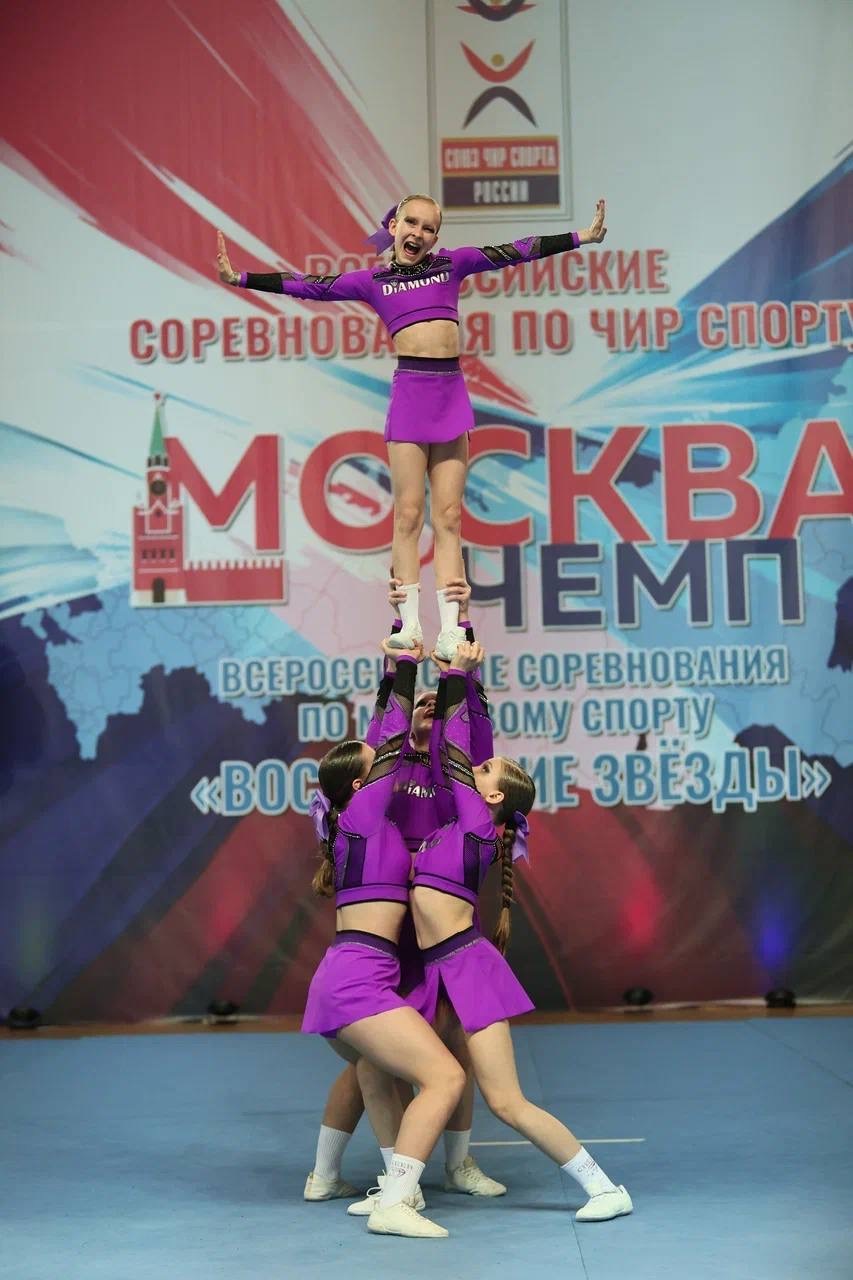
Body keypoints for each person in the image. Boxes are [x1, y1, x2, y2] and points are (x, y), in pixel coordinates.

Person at [215, 196, 607, 658]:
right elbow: (308, 285)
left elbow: (518, 250)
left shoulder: (453, 264)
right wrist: (241, 278)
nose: (418, 233)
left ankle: (452, 629)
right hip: (410, 397)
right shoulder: (372, 282)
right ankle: (410, 625)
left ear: (436, 236)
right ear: (395, 226)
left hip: (451, 395)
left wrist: (582, 237)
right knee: (407, 515)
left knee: (450, 517)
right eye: (411, 223)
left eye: (428, 228)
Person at [404, 639, 634, 1224]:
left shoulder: (478, 827)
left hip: (466, 967)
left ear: (494, 797)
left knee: (506, 1101)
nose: (473, 768)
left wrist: (456, 676)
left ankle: (605, 1188)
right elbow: (444, 757)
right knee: (426, 1075)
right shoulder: (455, 825)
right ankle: (406, 1182)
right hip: (438, 970)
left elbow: (451, 752)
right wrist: (451, 680)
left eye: (483, 771)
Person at [306, 579, 506, 1211]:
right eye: (417, 705)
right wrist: (402, 640)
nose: (426, 709)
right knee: (374, 1061)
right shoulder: (378, 786)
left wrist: (459, 630)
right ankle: (371, 1178)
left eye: (433, 706)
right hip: (384, 937)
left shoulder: (451, 768)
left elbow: (471, 735)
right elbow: (384, 725)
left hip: (437, 927)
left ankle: (453, 1164)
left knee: (451, 1047)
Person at [301, 637, 466, 1238]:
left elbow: (395, 743)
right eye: (376, 765)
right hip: (356, 981)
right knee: (446, 1077)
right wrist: (404, 663)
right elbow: (392, 737)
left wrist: (427, 670)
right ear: (357, 786)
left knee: (376, 1070)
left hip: (356, 973)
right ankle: (394, 1203)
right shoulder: (363, 817)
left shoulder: (362, 821)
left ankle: (371, 1185)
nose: (389, 764)